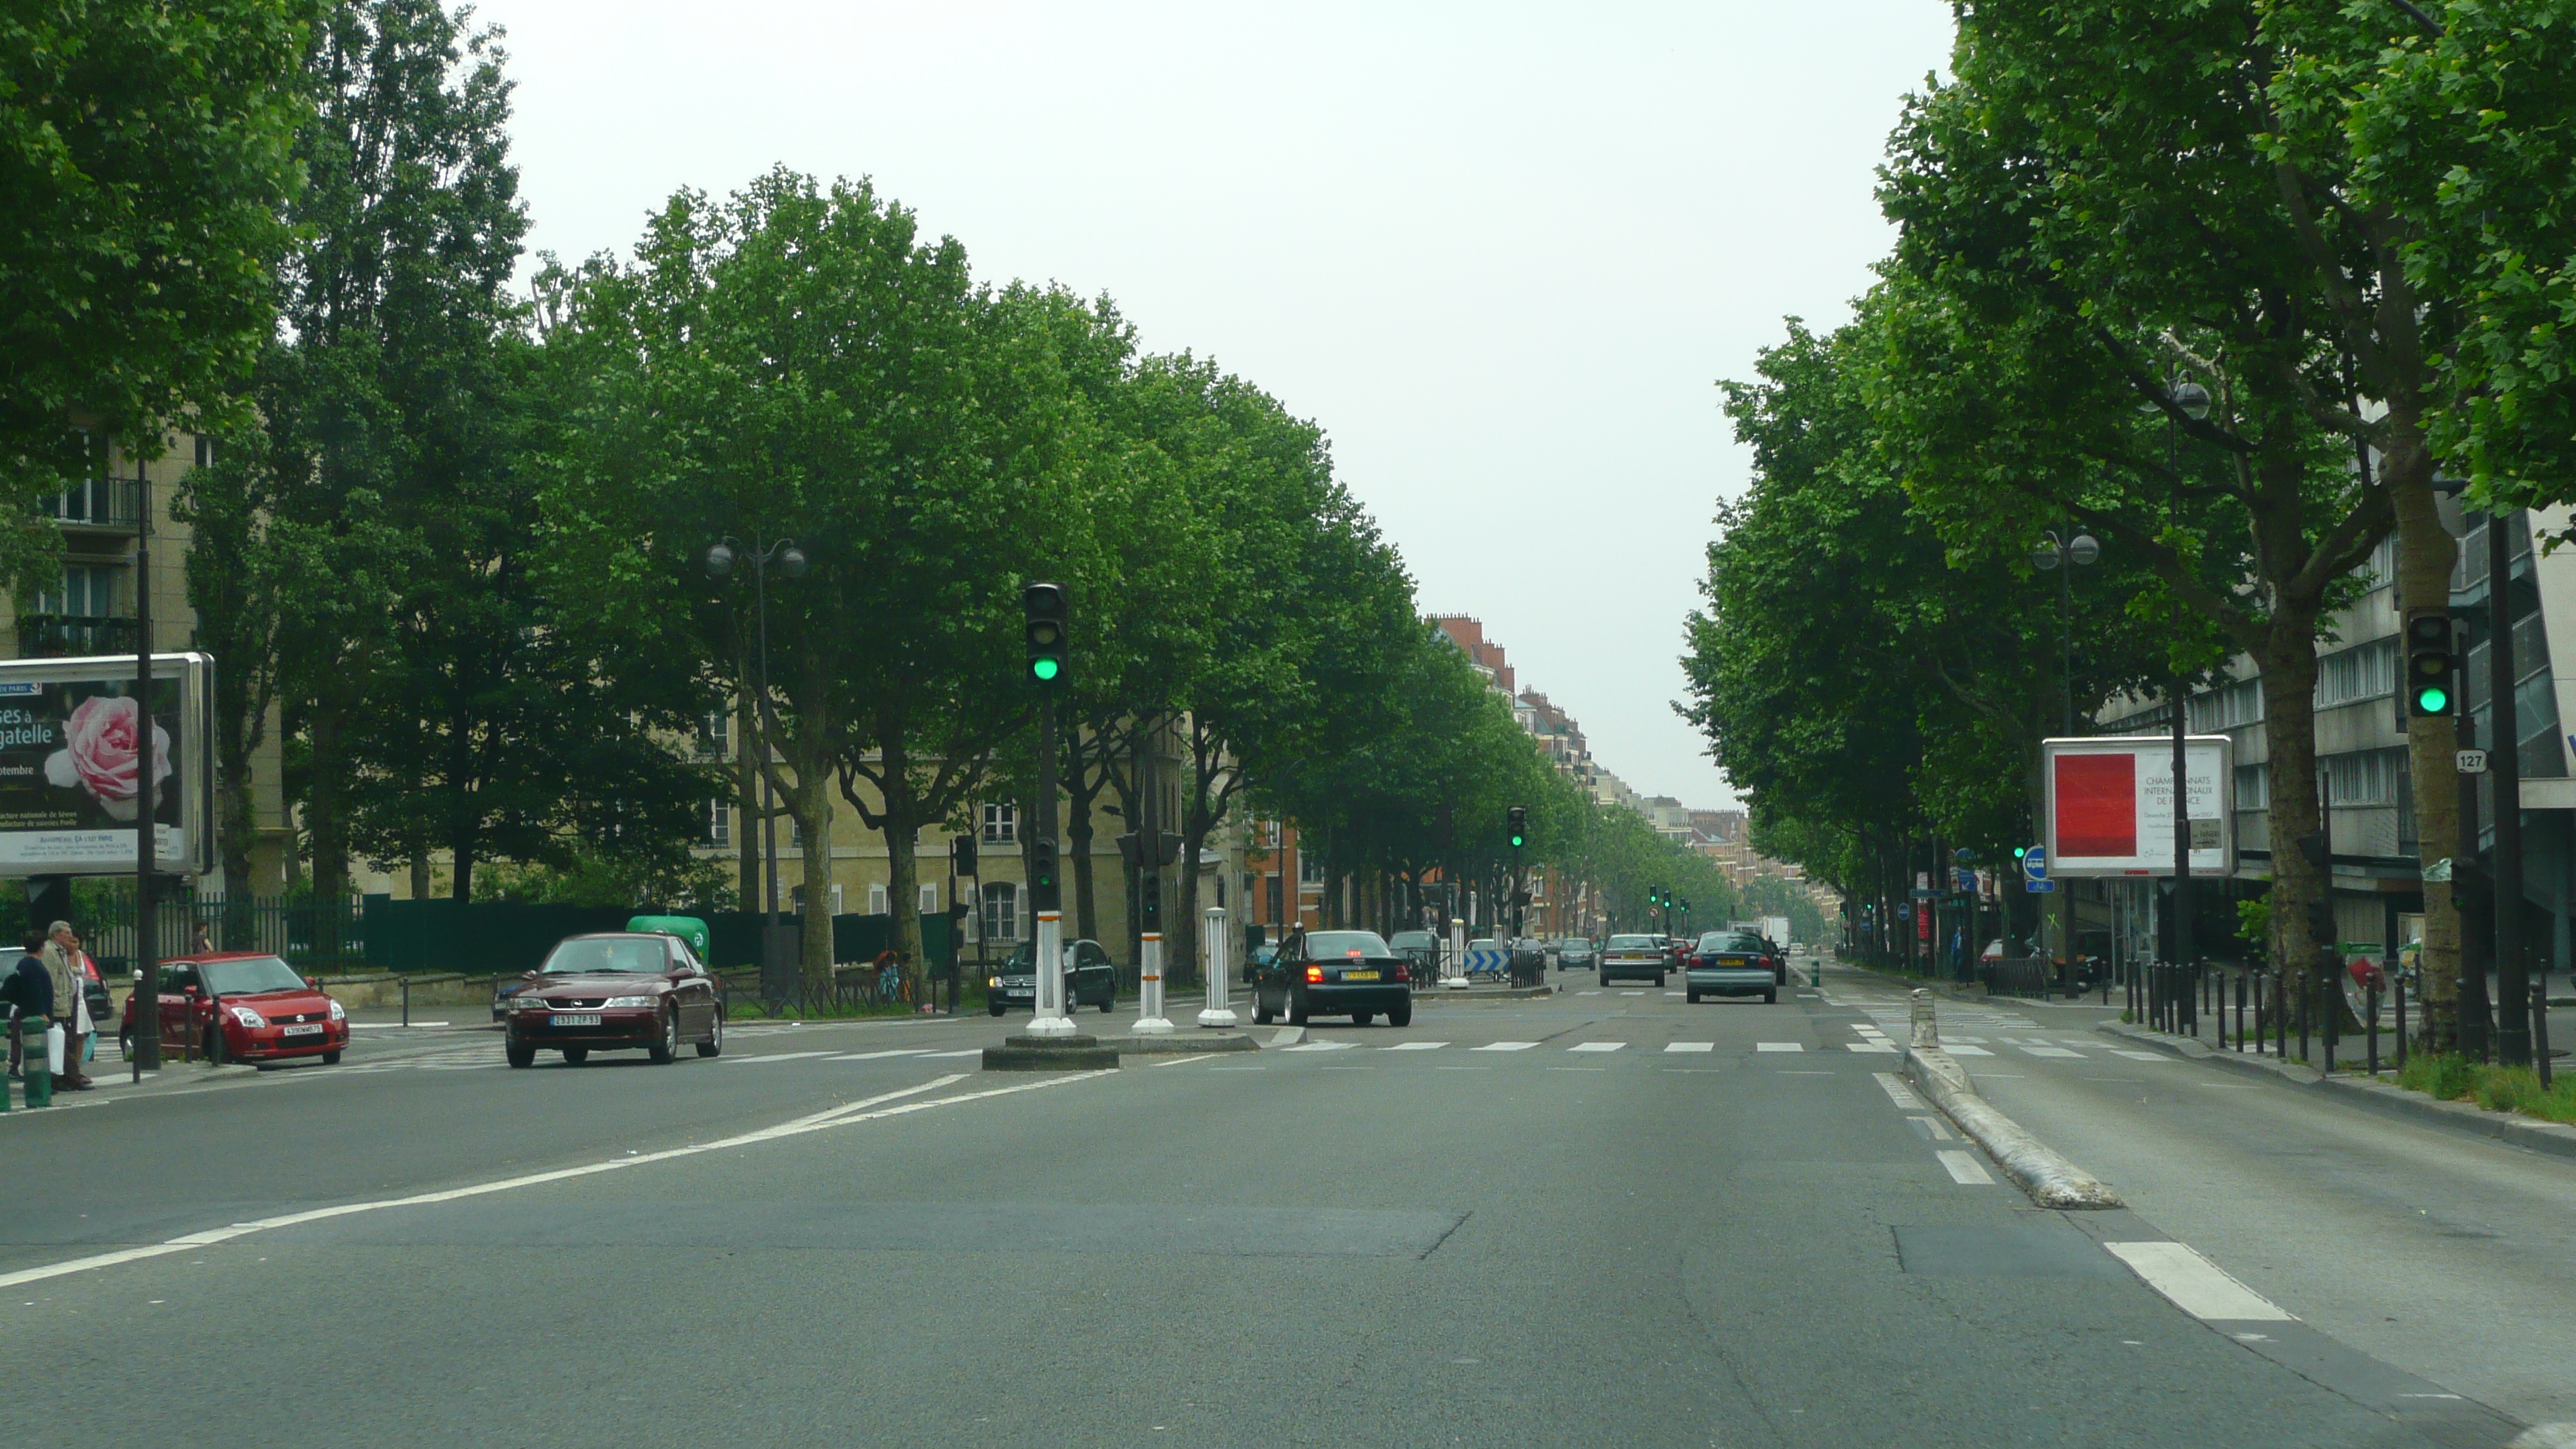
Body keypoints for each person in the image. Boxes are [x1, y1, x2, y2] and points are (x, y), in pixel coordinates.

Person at [40, 920, 94, 1090]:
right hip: (58, 1004)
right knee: (62, 1043)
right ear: (56, 935)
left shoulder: (60, 951)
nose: (70, 937)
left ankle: (67, 1077)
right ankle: (71, 1077)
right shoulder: (50, 952)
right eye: (66, 933)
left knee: (67, 1042)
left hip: (65, 1003)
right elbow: (50, 980)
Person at [2, 934, 50, 1079]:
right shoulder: (33, 965)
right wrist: (42, 1012)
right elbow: (35, 990)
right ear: (41, 947)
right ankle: (33, 1076)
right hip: (32, 1012)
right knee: (33, 1045)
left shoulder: (24, 964)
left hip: (27, 1009)